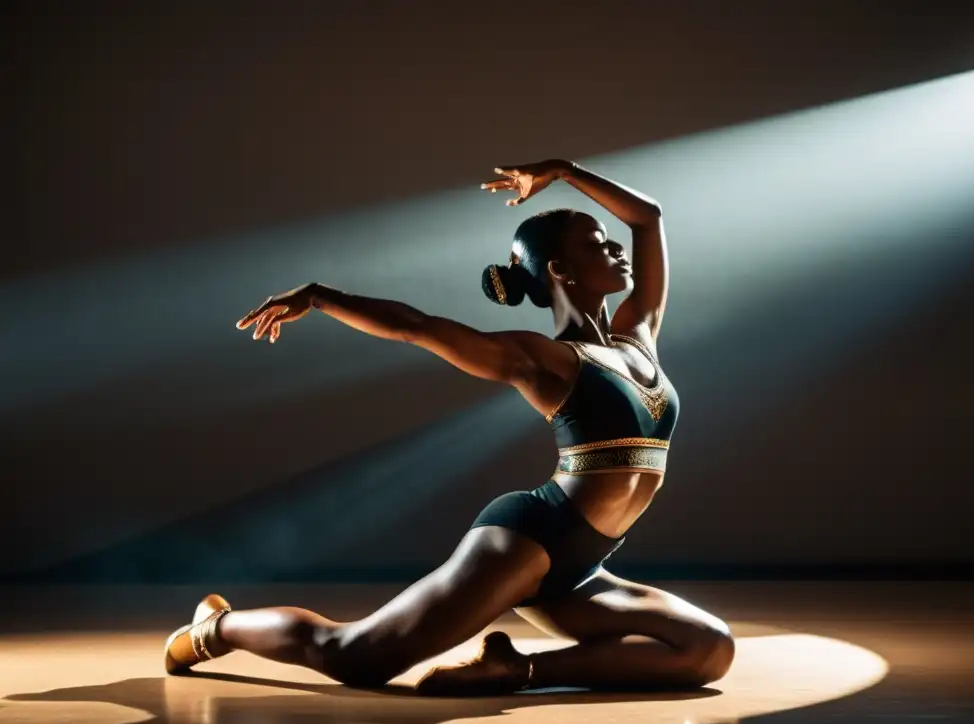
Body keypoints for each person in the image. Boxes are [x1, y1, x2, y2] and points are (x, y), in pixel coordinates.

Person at [164, 158, 735, 694]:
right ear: (561, 270)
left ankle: (516, 667)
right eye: (597, 244)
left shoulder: (639, 335)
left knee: (708, 649)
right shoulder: (544, 358)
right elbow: (417, 326)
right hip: (530, 540)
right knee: (354, 656)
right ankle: (216, 627)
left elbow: (647, 217)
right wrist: (319, 297)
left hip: (584, 563)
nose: (615, 247)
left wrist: (564, 171)